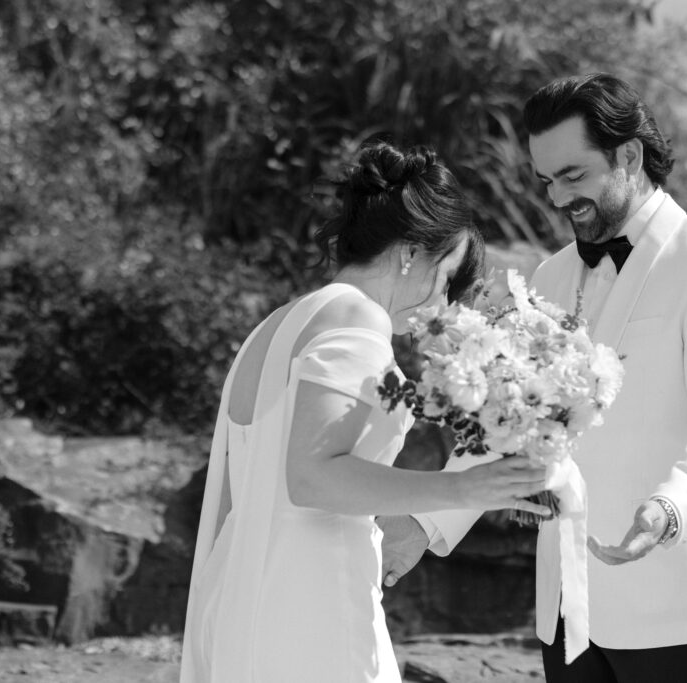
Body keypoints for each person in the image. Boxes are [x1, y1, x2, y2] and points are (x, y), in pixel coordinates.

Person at [379, 73, 687, 683]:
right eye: (546, 181)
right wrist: (427, 523)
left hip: (672, 606)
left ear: (630, 156)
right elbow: (508, 425)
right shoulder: (550, 277)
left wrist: (670, 509)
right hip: (565, 610)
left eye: (574, 176)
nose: (559, 199)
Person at [179, 141, 551, 683]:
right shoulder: (357, 319)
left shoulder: (279, 323)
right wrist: (463, 491)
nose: (443, 304)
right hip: (311, 599)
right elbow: (311, 477)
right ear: (409, 252)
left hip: (239, 587)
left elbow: (248, 490)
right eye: (447, 278)